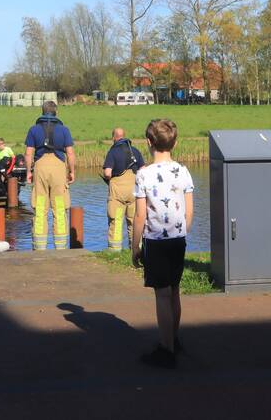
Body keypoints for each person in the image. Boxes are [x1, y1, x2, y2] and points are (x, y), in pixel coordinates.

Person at [131, 118, 194, 369]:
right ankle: (173, 339)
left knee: (162, 295)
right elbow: (190, 211)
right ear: (174, 142)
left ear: (149, 142)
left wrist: (134, 246)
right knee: (175, 290)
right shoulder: (184, 171)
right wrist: (182, 231)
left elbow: (139, 216)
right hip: (178, 238)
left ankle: (166, 350)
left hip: (155, 240)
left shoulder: (143, 174)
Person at [24, 101, 75, 250]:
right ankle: (60, 247)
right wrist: (71, 171)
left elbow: (28, 153)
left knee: (40, 207)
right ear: (56, 112)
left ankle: (39, 247)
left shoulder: (33, 129)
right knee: (59, 207)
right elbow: (70, 153)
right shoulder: (64, 130)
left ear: (42, 111)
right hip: (59, 167)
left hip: (40, 167)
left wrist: (28, 171)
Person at [102, 127, 144, 251]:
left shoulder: (112, 152)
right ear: (124, 136)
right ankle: (137, 250)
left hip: (118, 193)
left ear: (114, 138)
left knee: (116, 220)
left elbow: (108, 173)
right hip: (134, 191)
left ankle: (115, 251)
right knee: (133, 220)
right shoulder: (135, 151)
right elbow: (143, 170)